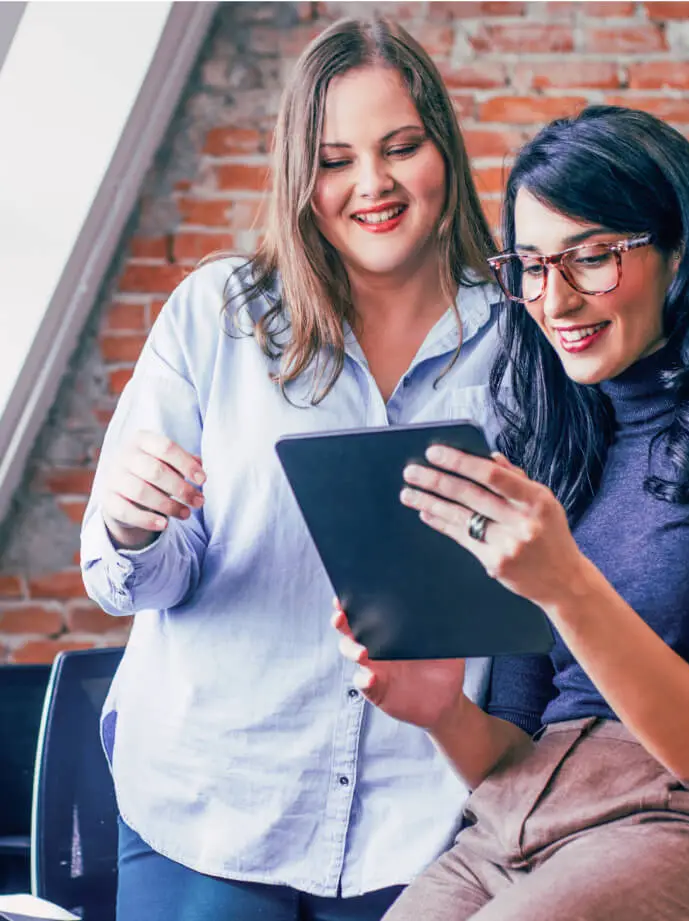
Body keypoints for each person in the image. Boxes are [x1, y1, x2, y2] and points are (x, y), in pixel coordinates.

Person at [335, 105, 689, 921]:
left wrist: (565, 582)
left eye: (590, 258)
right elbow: (516, 740)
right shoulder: (550, 447)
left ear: (679, 252)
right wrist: (441, 710)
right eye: (530, 264)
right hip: (523, 818)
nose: (554, 299)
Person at [80, 16, 503, 921]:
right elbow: (132, 580)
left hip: (425, 822)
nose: (373, 184)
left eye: (400, 147)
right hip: (211, 799)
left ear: (445, 153)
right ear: (297, 176)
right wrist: (130, 523)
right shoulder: (217, 317)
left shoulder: (520, 346)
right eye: (336, 158)